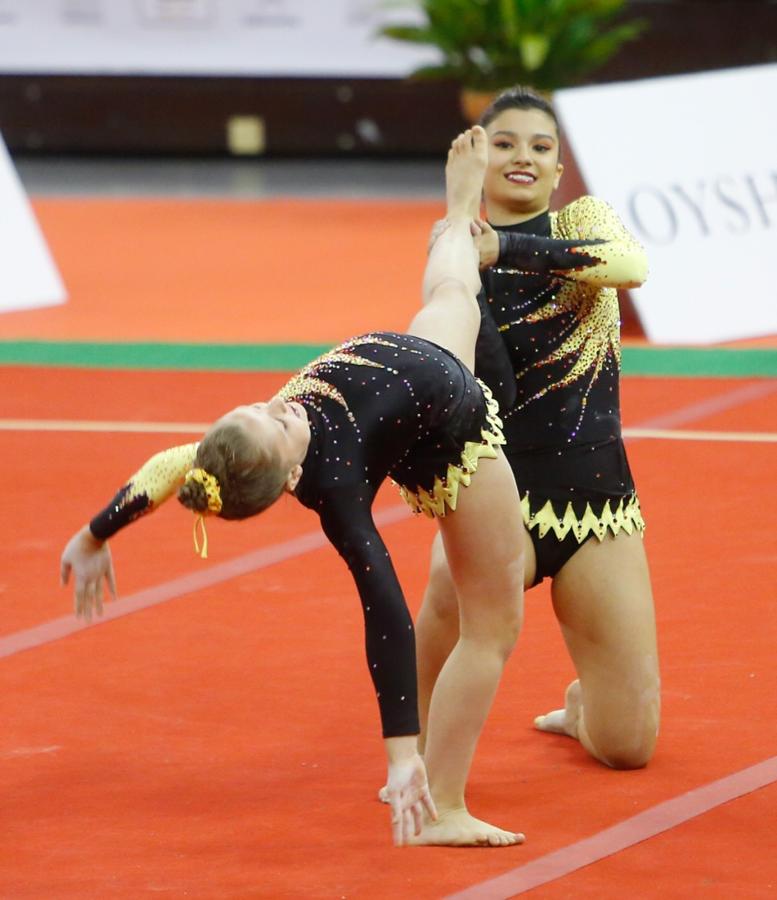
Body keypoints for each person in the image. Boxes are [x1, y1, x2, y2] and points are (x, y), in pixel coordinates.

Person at [60, 127, 526, 848]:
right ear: (284, 476)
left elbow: (167, 469)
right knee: (492, 627)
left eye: (255, 405)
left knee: (452, 282)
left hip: (428, 352)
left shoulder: (232, 453)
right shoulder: (337, 490)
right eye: (274, 424)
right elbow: (385, 615)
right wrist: (397, 754)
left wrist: (93, 535)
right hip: (456, 440)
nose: (277, 406)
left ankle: (460, 204)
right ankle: (442, 798)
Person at [414, 87, 660, 772]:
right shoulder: (452, 251)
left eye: (540, 147)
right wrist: (461, 221)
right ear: (475, 161)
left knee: (627, 748)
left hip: (597, 505)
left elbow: (631, 267)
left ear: (557, 171)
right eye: (504, 143)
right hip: (499, 499)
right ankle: (414, 747)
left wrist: (507, 246)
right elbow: (465, 357)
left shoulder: (582, 219)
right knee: (444, 592)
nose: (523, 155)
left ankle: (583, 707)